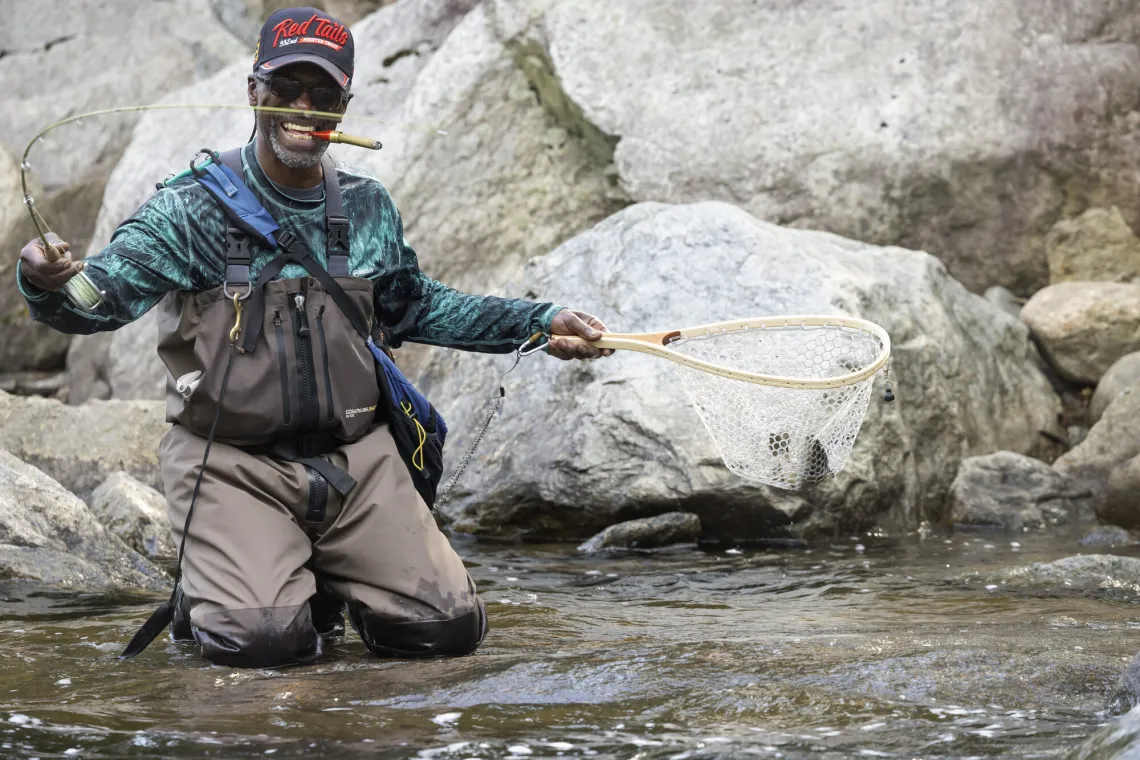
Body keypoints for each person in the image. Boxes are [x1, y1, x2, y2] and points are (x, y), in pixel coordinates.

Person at [16, 6, 609, 668]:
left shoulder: (364, 208)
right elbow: (98, 302)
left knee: (447, 630)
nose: (303, 107)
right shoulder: (189, 209)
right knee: (263, 645)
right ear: (253, 92)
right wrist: (45, 281)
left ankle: (323, 574)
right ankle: (225, 588)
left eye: (322, 94)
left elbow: (417, 306)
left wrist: (537, 322)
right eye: (285, 89)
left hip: (356, 462)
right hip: (234, 465)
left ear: (344, 105)